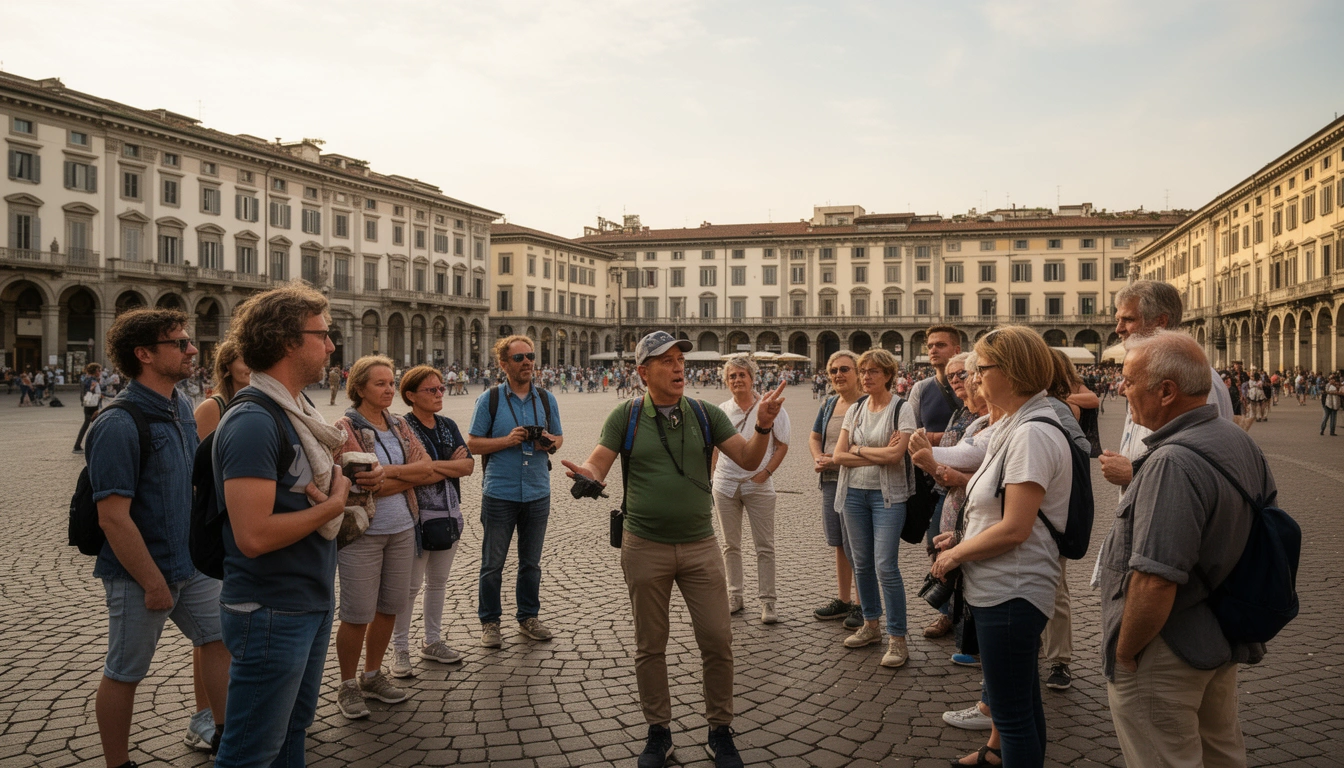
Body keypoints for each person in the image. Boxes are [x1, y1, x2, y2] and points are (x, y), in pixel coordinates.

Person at [562, 330, 786, 768]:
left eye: (679, 358)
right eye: (665, 361)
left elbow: (746, 457)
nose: (678, 366)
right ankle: (658, 731)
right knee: (650, 644)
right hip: (644, 546)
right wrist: (588, 475)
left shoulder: (704, 414)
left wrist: (762, 424)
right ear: (643, 372)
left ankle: (720, 730)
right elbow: (599, 460)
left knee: (718, 640)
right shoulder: (625, 416)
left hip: (702, 545)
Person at [212, 284, 380, 766]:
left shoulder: (301, 414)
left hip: (306, 599)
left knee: (291, 735)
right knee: (250, 752)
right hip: (269, 608)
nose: (332, 345)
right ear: (288, 340)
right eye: (323, 335)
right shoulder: (254, 421)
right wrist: (331, 508)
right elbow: (254, 535)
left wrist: (347, 480)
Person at [1100, 331, 1274, 767]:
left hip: (1168, 645)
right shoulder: (1238, 440)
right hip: (1219, 632)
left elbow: (1156, 580)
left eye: (1129, 381)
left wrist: (1124, 652)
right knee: (1221, 751)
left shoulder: (1172, 462)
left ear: (1166, 392)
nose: (1121, 389)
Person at [85, 308, 229, 768]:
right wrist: (151, 582)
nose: (192, 350)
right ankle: (118, 763)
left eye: (189, 341)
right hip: (138, 573)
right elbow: (112, 518)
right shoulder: (117, 423)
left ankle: (227, 738)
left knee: (218, 640)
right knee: (125, 672)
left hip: (191, 564)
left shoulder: (182, 407)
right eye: (180, 343)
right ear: (144, 354)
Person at [931, 326, 1073, 768]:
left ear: (1010, 372)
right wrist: (961, 536)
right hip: (1003, 583)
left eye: (982, 369)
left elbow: (1015, 528)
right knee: (1022, 704)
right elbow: (999, 507)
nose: (974, 379)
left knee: (1012, 717)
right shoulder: (1016, 424)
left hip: (1011, 587)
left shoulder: (1032, 433)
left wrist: (956, 554)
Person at [331, 356, 435, 718]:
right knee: (357, 613)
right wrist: (403, 477)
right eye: (380, 383)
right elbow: (354, 484)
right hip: (364, 532)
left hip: (404, 527)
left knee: (390, 606)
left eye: (392, 383)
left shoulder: (400, 425)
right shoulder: (345, 428)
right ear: (359, 387)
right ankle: (346, 685)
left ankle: (372, 675)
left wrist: (385, 475)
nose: (390, 389)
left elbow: (427, 469)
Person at [467, 335, 564, 647]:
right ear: (503, 364)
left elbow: (559, 439)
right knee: (492, 563)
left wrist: (547, 441)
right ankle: (490, 622)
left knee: (531, 562)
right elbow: (473, 443)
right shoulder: (490, 399)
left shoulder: (546, 400)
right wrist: (507, 441)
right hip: (500, 490)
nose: (527, 363)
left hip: (537, 489)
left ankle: (528, 617)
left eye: (530, 356)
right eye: (520, 357)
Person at [1100, 281, 1233, 491]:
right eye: (1118, 320)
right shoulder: (1151, 376)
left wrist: (1133, 472)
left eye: (1128, 319)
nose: (1118, 329)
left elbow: (1205, 464)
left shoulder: (1200, 381)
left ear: (1160, 322)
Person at [832, 348, 917, 668]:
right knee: (862, 563)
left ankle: (897, 638)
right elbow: (838, 456)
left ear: (888, 375)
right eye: (863, 371)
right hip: (852, 494)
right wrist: (875, 451)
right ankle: (871, 624)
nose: (866, 376)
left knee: (885, 565)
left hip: (888, 498)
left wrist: (858, 449)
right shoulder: (855, 409)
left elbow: (897, 457)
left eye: (873, 372)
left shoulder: (902, 409)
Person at [391, 365, 475, 677]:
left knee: (438, 582)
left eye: (441, 388)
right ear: (411, 395)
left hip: (449, 514)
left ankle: (432, 641)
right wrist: (441, 466)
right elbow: (413, 471)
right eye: (432, 390)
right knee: (409, 587)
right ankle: (400, 648)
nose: (441, 394)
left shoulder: (447, 425)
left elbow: (466, 466)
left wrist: (430, 466)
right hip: (414, 517)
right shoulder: (401, 427)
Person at [713, 356, 790, 624]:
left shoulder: (770, 407)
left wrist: (765, 473)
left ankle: (768, 602)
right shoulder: (721, 410)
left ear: (752, 377)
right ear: (726, 381)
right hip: (725, 485)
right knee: (729, 545)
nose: (737, 380)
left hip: (758, 485)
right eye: (732, 376)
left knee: (764, 546)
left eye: (742, 375)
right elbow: (714, 447)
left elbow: (782, 446)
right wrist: (712, 479)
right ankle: (735, 596)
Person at [810, 350, 864, 629]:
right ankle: (844, 600)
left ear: (857, 372)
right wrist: (818, 456)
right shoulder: (829, 403)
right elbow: (814, 436)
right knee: (839, 543)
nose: (838, 375)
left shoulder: (868, 403)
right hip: (831, 481)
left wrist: (838, 458)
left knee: (858, 544)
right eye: (833, 371)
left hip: (859, 481)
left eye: (845, 369)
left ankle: (862, 603)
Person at [193, 338, 251, 439]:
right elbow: (197, 452)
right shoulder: (212, 407)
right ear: (228, 366)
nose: (251, 367)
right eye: (245, 361)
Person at [73, 362, 104, 453]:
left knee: (90, 424)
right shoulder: (92, 380)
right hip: (93, 405)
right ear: (95, 371)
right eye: (99, 370)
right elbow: (91, 391)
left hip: (87, 403)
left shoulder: (84, 378)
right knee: (96, 424)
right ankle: (80, 445)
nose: (100, 372)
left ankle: (79, 445)